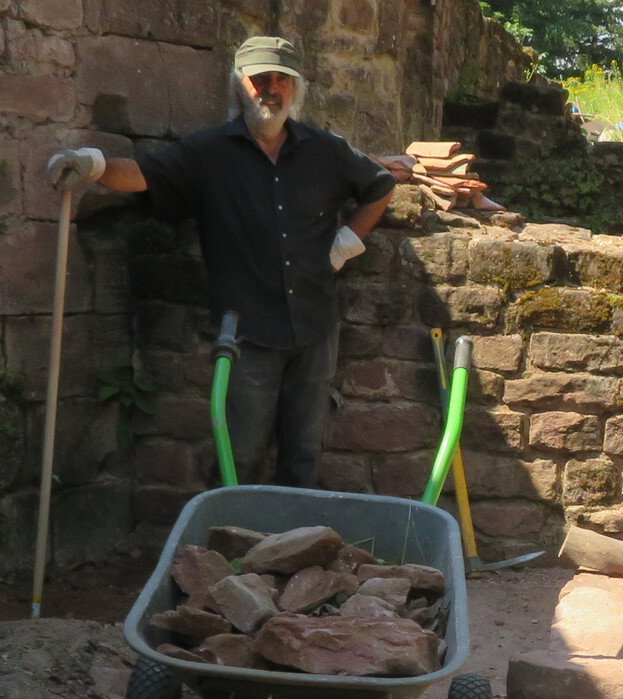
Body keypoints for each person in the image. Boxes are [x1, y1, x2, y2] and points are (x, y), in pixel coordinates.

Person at [48, 36, 397, 487]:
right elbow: (146, 174)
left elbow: (380, 184)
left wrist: (346, 243)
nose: (270, 89)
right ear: (239, 85)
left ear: (296, 88)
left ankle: (296, 533)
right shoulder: (209, 152)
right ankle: (230, 534)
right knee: (239, 454)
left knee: (305, 455)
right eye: (259, 79)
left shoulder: (324, 150)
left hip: (315, 325)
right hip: (247, 331)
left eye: (281, 80)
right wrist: (94, 165)